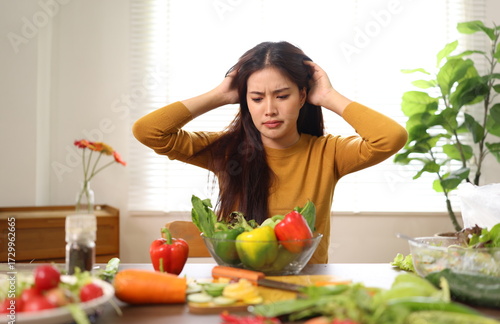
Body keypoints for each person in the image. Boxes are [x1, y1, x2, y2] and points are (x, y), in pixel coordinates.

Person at [133, 41, 408, 263]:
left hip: (305, 287)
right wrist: (220, 94)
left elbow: (390, 138)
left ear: (302, 96)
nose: (269, 110)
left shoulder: (329, 153)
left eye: (282, 95)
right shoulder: (228, 152)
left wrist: (328, 96)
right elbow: (149, 131)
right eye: (256, 98)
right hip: (242, 283)